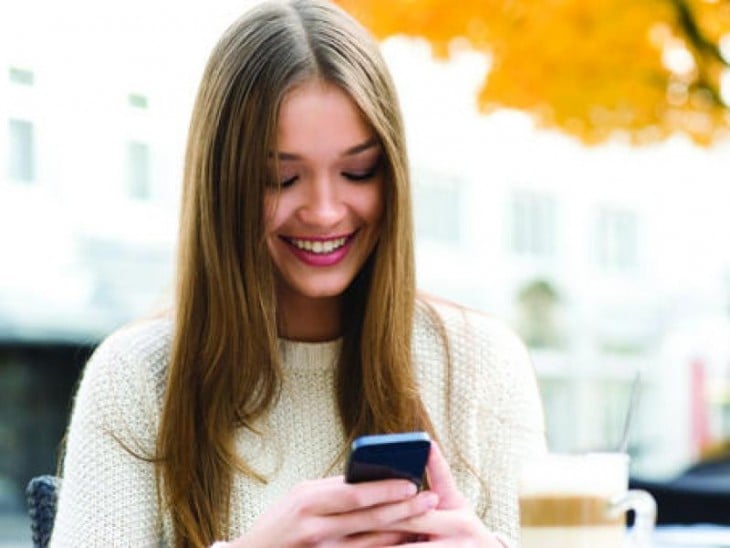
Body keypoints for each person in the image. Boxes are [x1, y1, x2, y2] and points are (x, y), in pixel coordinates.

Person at [50, 0, 546, 546]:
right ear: (223, 188)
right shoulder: (136, 378)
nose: (326, 211)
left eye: (358, 171)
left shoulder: (481, 364)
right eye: (281, 179)